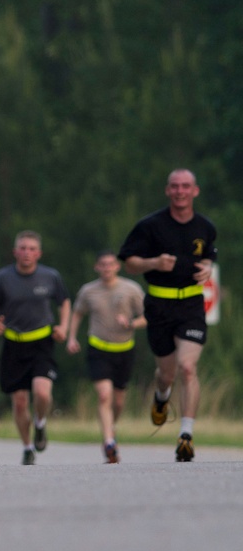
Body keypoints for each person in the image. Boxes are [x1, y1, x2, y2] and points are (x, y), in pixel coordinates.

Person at [117, 169, 217, 462]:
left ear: (195, 191)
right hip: (159, 307)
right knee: (167, 374)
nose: (180, 191)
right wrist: (154, 262)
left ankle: (186, 435)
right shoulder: (150, 226)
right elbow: (130, 264)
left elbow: (210, 253)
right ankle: (161, 397)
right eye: (175, 186)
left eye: (186, 186)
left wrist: (209, 266)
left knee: (188, 367)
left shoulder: (205, 226)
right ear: (167, 191)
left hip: (191, 306)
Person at [0, 232, 70, 466]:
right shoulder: (2, 278)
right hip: (14, 344)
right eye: (22, 248)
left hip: (42, 342)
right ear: (15, 252)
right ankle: (28, 447)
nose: (27, 252)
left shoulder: (50, 276)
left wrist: (64, 326)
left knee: (42, 393)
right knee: (19, 402)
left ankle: (40, 423)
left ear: (38, 253)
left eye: (31, 248)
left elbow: (64, 301)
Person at [67, 252, 146, 464]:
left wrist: (130, 323)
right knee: (104, 396)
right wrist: (71, 337)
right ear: (97, 267)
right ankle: (109, 441)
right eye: (102, 264)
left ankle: (112, 427)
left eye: (111, 264)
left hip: (124, 349)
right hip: (98, 348)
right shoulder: (88, 290)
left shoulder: (131, 289)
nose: (107, 267)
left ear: (117, 267)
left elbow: (147, 317)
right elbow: (77, 313)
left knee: (118, 400)